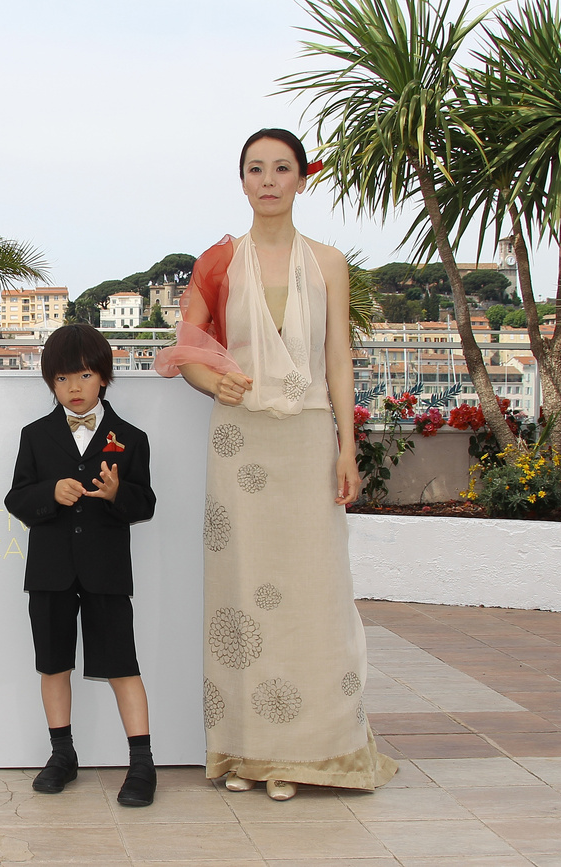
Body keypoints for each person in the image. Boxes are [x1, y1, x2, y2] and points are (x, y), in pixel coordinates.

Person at [155, 128, 397, 800]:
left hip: (310, 435)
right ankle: (245, 751)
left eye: (281, 168)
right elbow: (188, 349)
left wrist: (349, 444)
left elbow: (338, 356)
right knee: (241, 591)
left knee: (315, 594)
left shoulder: (327, 262)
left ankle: (308, 754)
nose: (268, 179)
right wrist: (215, 383)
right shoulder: (218, 262)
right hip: (240, 441)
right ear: (241, 181)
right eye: (255, 168)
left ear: (300, 179)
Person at [4, 323, 159, 807]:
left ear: (105, 378)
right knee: (53, 665)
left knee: (121, 665)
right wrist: (49, 492)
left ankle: (141, 764)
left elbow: (145, 503)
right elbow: (16, 497)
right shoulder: (35, 436)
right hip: (49, 572)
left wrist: (116, 494)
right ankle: (62, 755)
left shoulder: (130, 438)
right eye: (63, 378)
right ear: (50, 382)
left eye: (85, 376)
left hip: (106, 571)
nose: (74, 387)